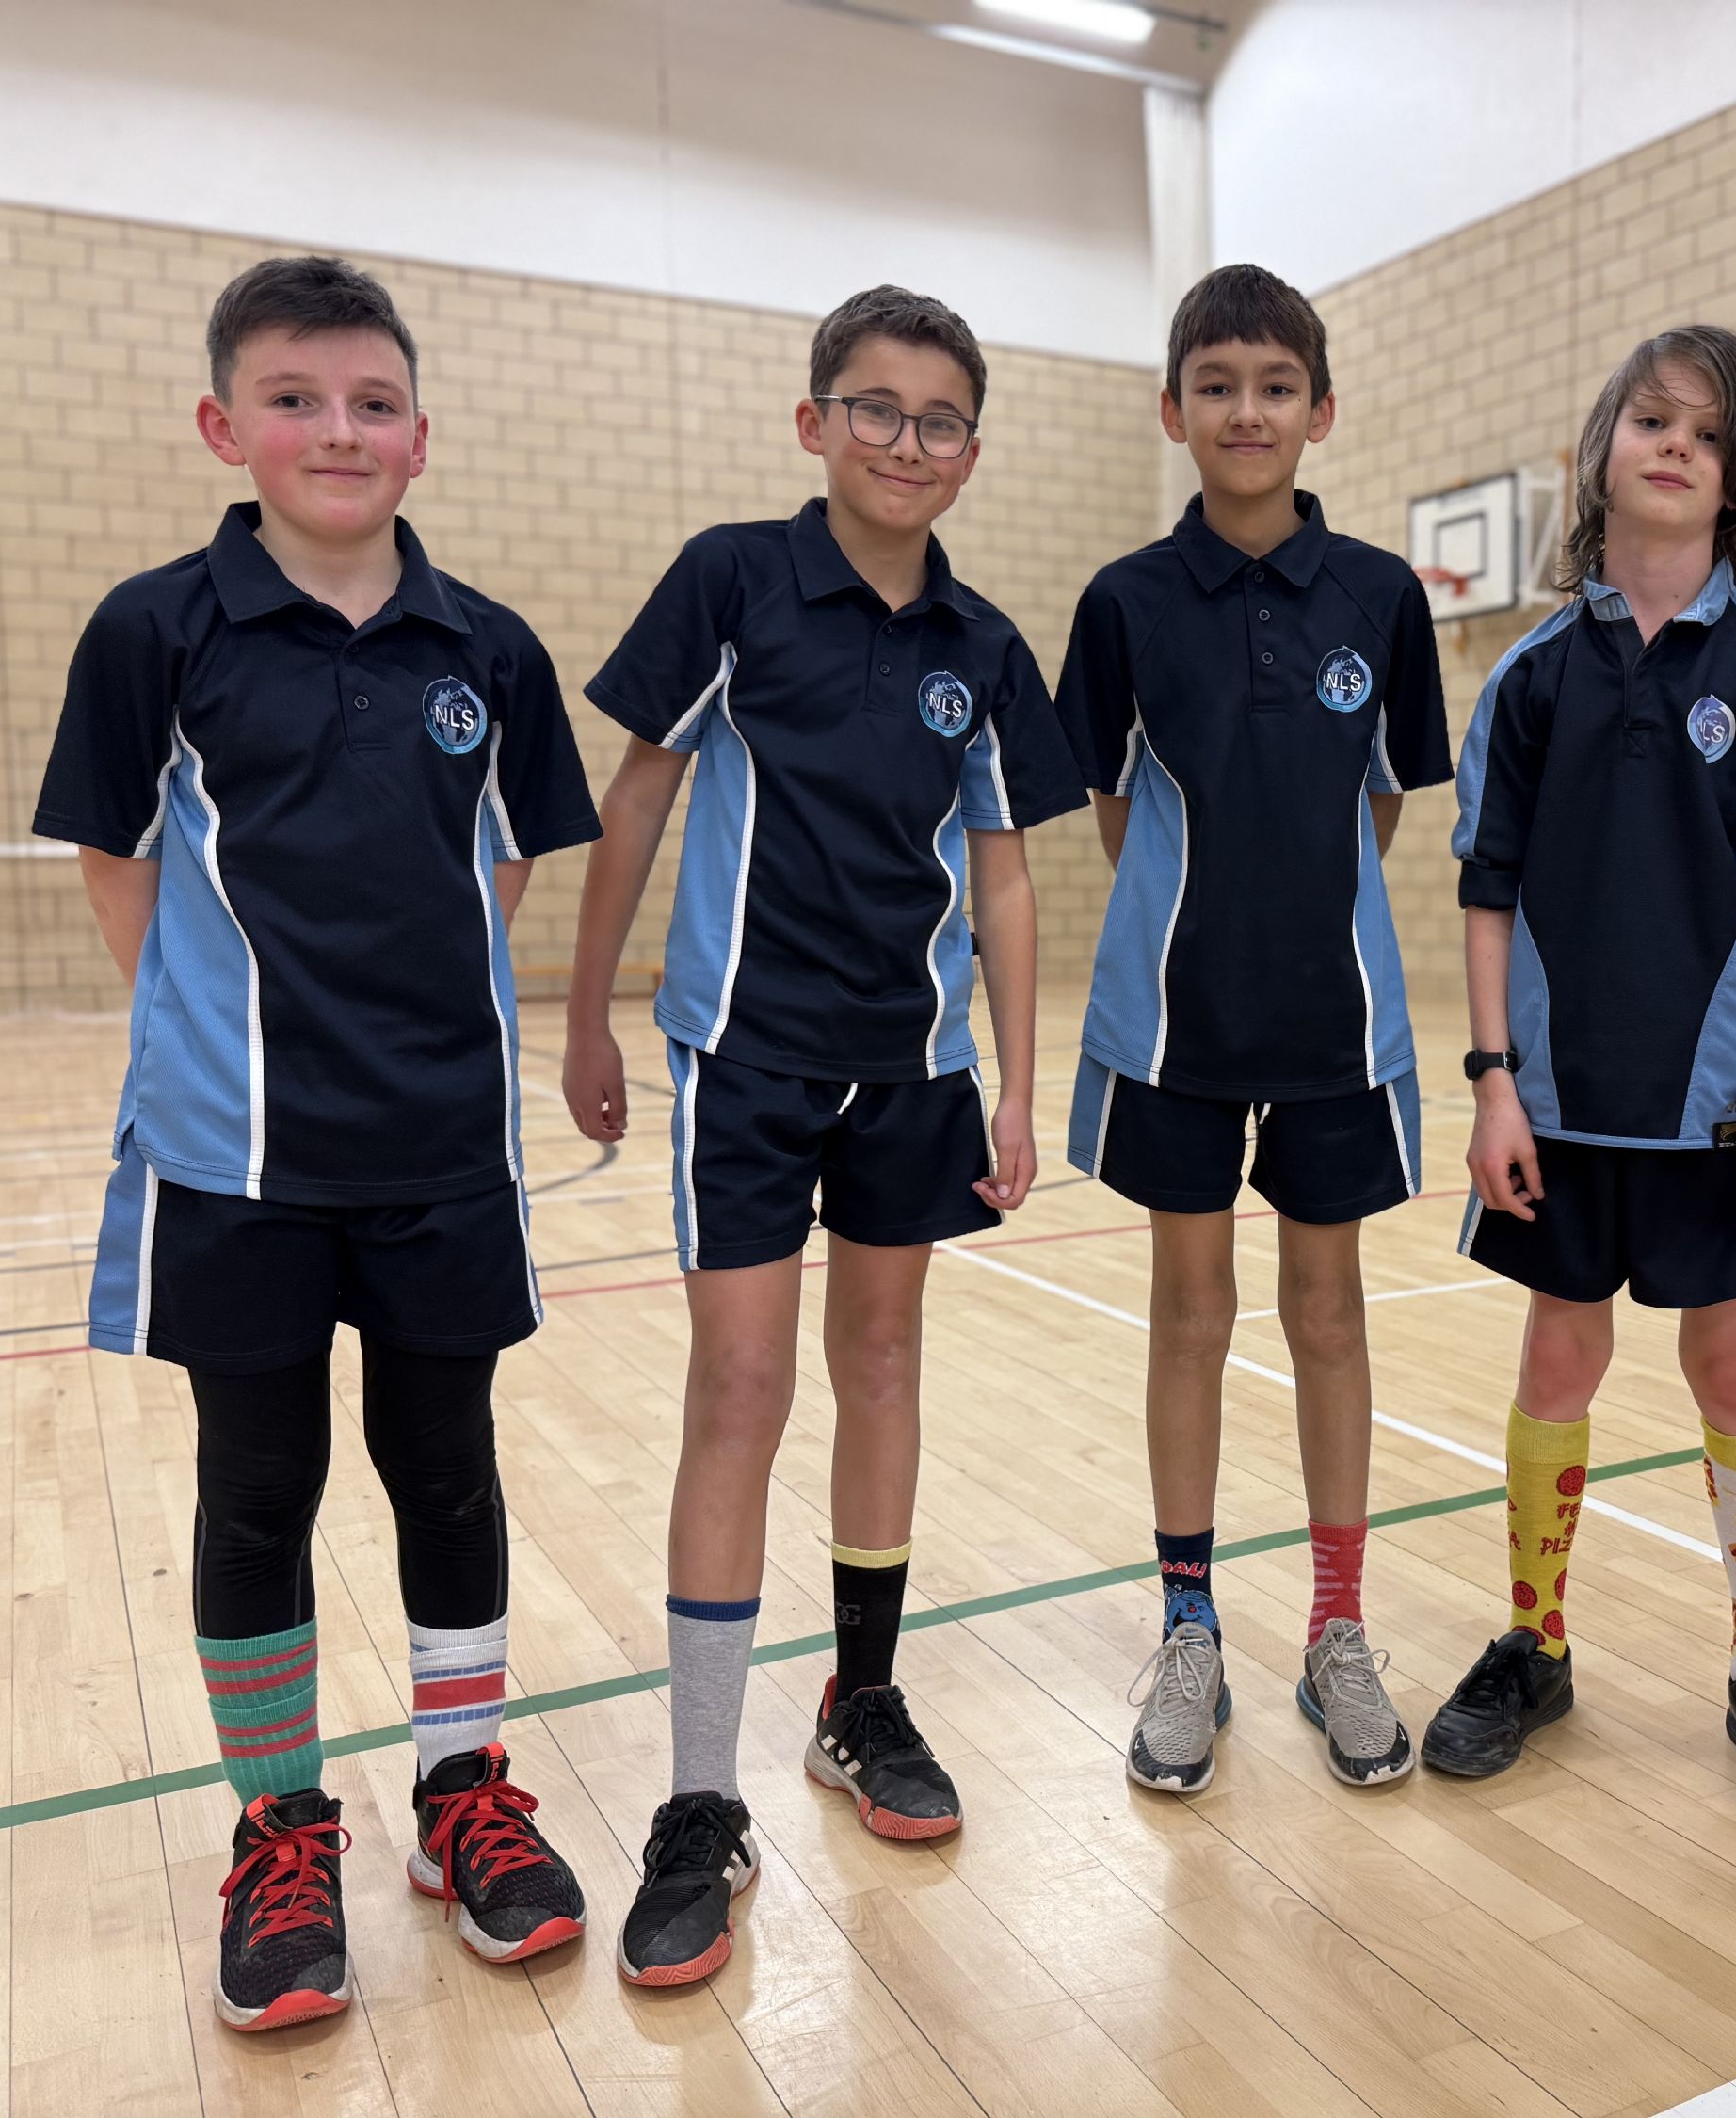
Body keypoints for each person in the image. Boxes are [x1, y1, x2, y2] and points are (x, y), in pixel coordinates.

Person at [34, 255, 602, 2030]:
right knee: (257, 1488)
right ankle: (284, 1828)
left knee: (447, 1471)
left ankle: (460, 1790)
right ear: (227, 423)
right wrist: (219, 1031)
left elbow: (500, 869)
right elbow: (120, 865)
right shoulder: (155, 630)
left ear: (420, 437)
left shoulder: (489, 649)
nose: (335, 429)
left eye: (370, 403)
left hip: (441, 1152)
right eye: (296, 398)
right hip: (237, 1161)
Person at [565, 284, 1083, 1986]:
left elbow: (1003, 867)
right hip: (745, 1057)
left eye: (939, 420)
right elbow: (637, 791)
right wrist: (582, 1009)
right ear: (814, 424)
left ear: (973, 450)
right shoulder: (734, 579)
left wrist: (1015, 1076)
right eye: (875, 408)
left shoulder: (988, 648)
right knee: (740, 1384)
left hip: (912, 1070)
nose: (905, 441)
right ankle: (700, 1798)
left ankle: (862, 1699)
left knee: (882, 1360)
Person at [1428, 327, 1736, 1828]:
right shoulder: (1533, 678)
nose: (1676, 444)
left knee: (1731, 1367)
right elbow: (1487, 888)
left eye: (1710, 432)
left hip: (1723, 1115)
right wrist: (1493, 1082)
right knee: (1560, 1361)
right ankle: (1535, 1643)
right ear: (1602, 442)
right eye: (1651, 416)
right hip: (1554, 1108)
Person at [1053, 264, 1449, 1794]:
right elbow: (1105, 802)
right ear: (1173, 410)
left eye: (1276, 385)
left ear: (1321, 409)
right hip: (1175, 1025)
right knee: (1190, 1312)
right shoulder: (1126, 603)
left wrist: (1299, 917)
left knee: (1330, 1313)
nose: (1246, 410)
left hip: (1337, 1025)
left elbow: (1391, 793)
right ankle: (1190, 1622)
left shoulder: (1385, 598)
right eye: (1216, 385)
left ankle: (1337, 1626)